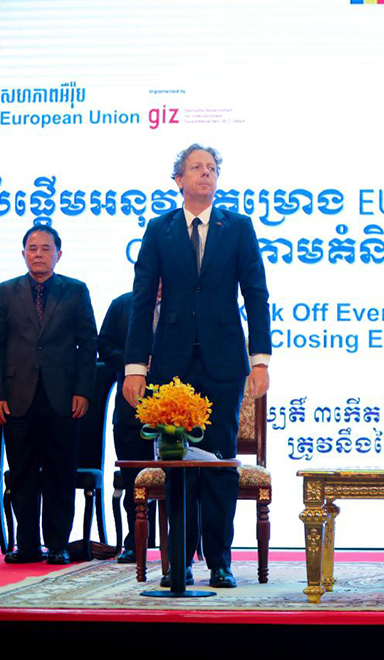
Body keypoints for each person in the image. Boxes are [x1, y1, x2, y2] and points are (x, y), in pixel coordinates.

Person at [122, 144, 272, 588]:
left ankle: (220, 561)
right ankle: (179, 561)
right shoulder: (159, 229)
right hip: (171, 364)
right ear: (179, 180)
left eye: (212, 169)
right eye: (196, 168)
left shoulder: (238, 227)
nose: (206, 175)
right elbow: (143, 297)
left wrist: (259, 360)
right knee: (178, 462)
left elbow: (257, 295)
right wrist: (135, 365)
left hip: (225, 362)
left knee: (221, 462)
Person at [0, 225, 97, 565]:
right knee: (23, 472)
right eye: (32, 248)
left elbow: (88, 345)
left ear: (59, 252)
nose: (38, 254)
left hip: (62, 396)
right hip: (17, 396)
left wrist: (83, 390)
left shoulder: (75, 291)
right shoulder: (6, 292)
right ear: (23, 252)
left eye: (45, 248)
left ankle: (57, 544)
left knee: (59, 472)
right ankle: (26, 545)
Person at [98, 287, 159, 564]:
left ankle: (179, 542)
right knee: (134, 477)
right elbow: (104, 344)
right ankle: (135, 543)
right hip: (131, 406)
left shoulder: (185, 301)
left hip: (176, 407)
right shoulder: (122, 304)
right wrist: (132, 364)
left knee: (177, 480)